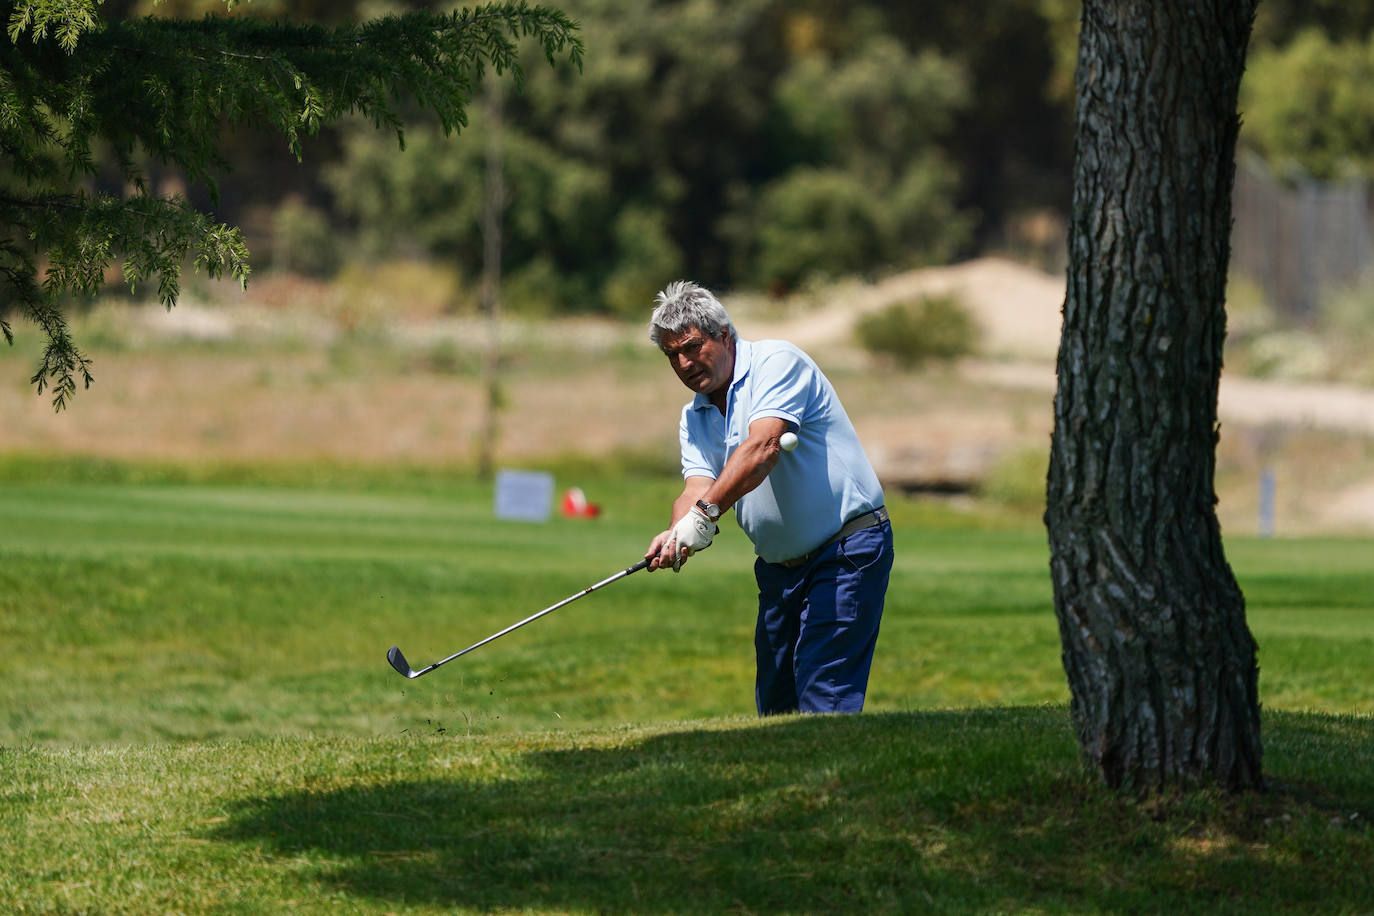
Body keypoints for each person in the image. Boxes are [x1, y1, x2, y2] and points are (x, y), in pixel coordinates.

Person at [643, 280, 894, 715]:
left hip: (845, 550)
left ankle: (831, 785)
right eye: (672, 355)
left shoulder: (778, 363)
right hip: (779, 570)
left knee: (824, 698)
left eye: (692, 346)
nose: (684, 364)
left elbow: (762, 449)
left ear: (724, 334)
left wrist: (703, 517)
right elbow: (696, 489)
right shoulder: (696, 415)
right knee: (776, 710)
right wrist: (675, 533)